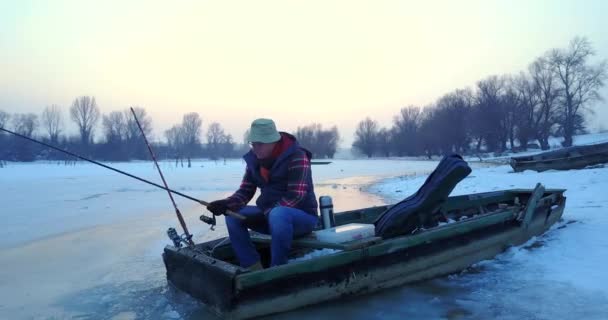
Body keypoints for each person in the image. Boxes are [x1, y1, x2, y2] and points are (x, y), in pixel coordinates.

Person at [207, 118, 319, 270]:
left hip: (301, 219)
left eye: (260, 144)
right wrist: (226, 204)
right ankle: (252, 267)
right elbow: (245, 191)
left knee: (278, 214)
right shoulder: (255, 161)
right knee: (232, 215)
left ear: (273, 142)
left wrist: (270, 212)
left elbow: (296, 196)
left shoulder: (297, 156)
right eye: (253, 144)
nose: (255, 148)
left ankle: (277, 269)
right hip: (271, 216)